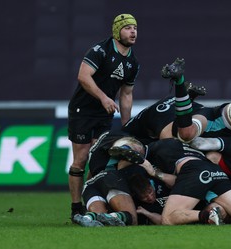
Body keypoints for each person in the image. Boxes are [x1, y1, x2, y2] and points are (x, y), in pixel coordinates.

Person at [67, 13, 140, 219]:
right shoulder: (100, 50)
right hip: (83, 111)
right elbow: (83, 76)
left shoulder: (133, 62)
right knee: (80, 160)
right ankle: (75, 208)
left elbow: (126, 94)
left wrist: (127, 126)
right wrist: (103, 98)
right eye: (127, 28)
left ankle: (92, 199)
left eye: (135, 28)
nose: (133, 31)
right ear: (117, 31)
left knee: (99, 161)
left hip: (104, 114)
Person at [74, 136, 147, 227]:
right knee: (132, 219)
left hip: (90, 184)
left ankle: (88, 217)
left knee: (100, 221)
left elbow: (90, 173)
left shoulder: (98, 151)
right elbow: (129, 147)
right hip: (111, 179)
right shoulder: (129, 148)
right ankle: (112, 216)